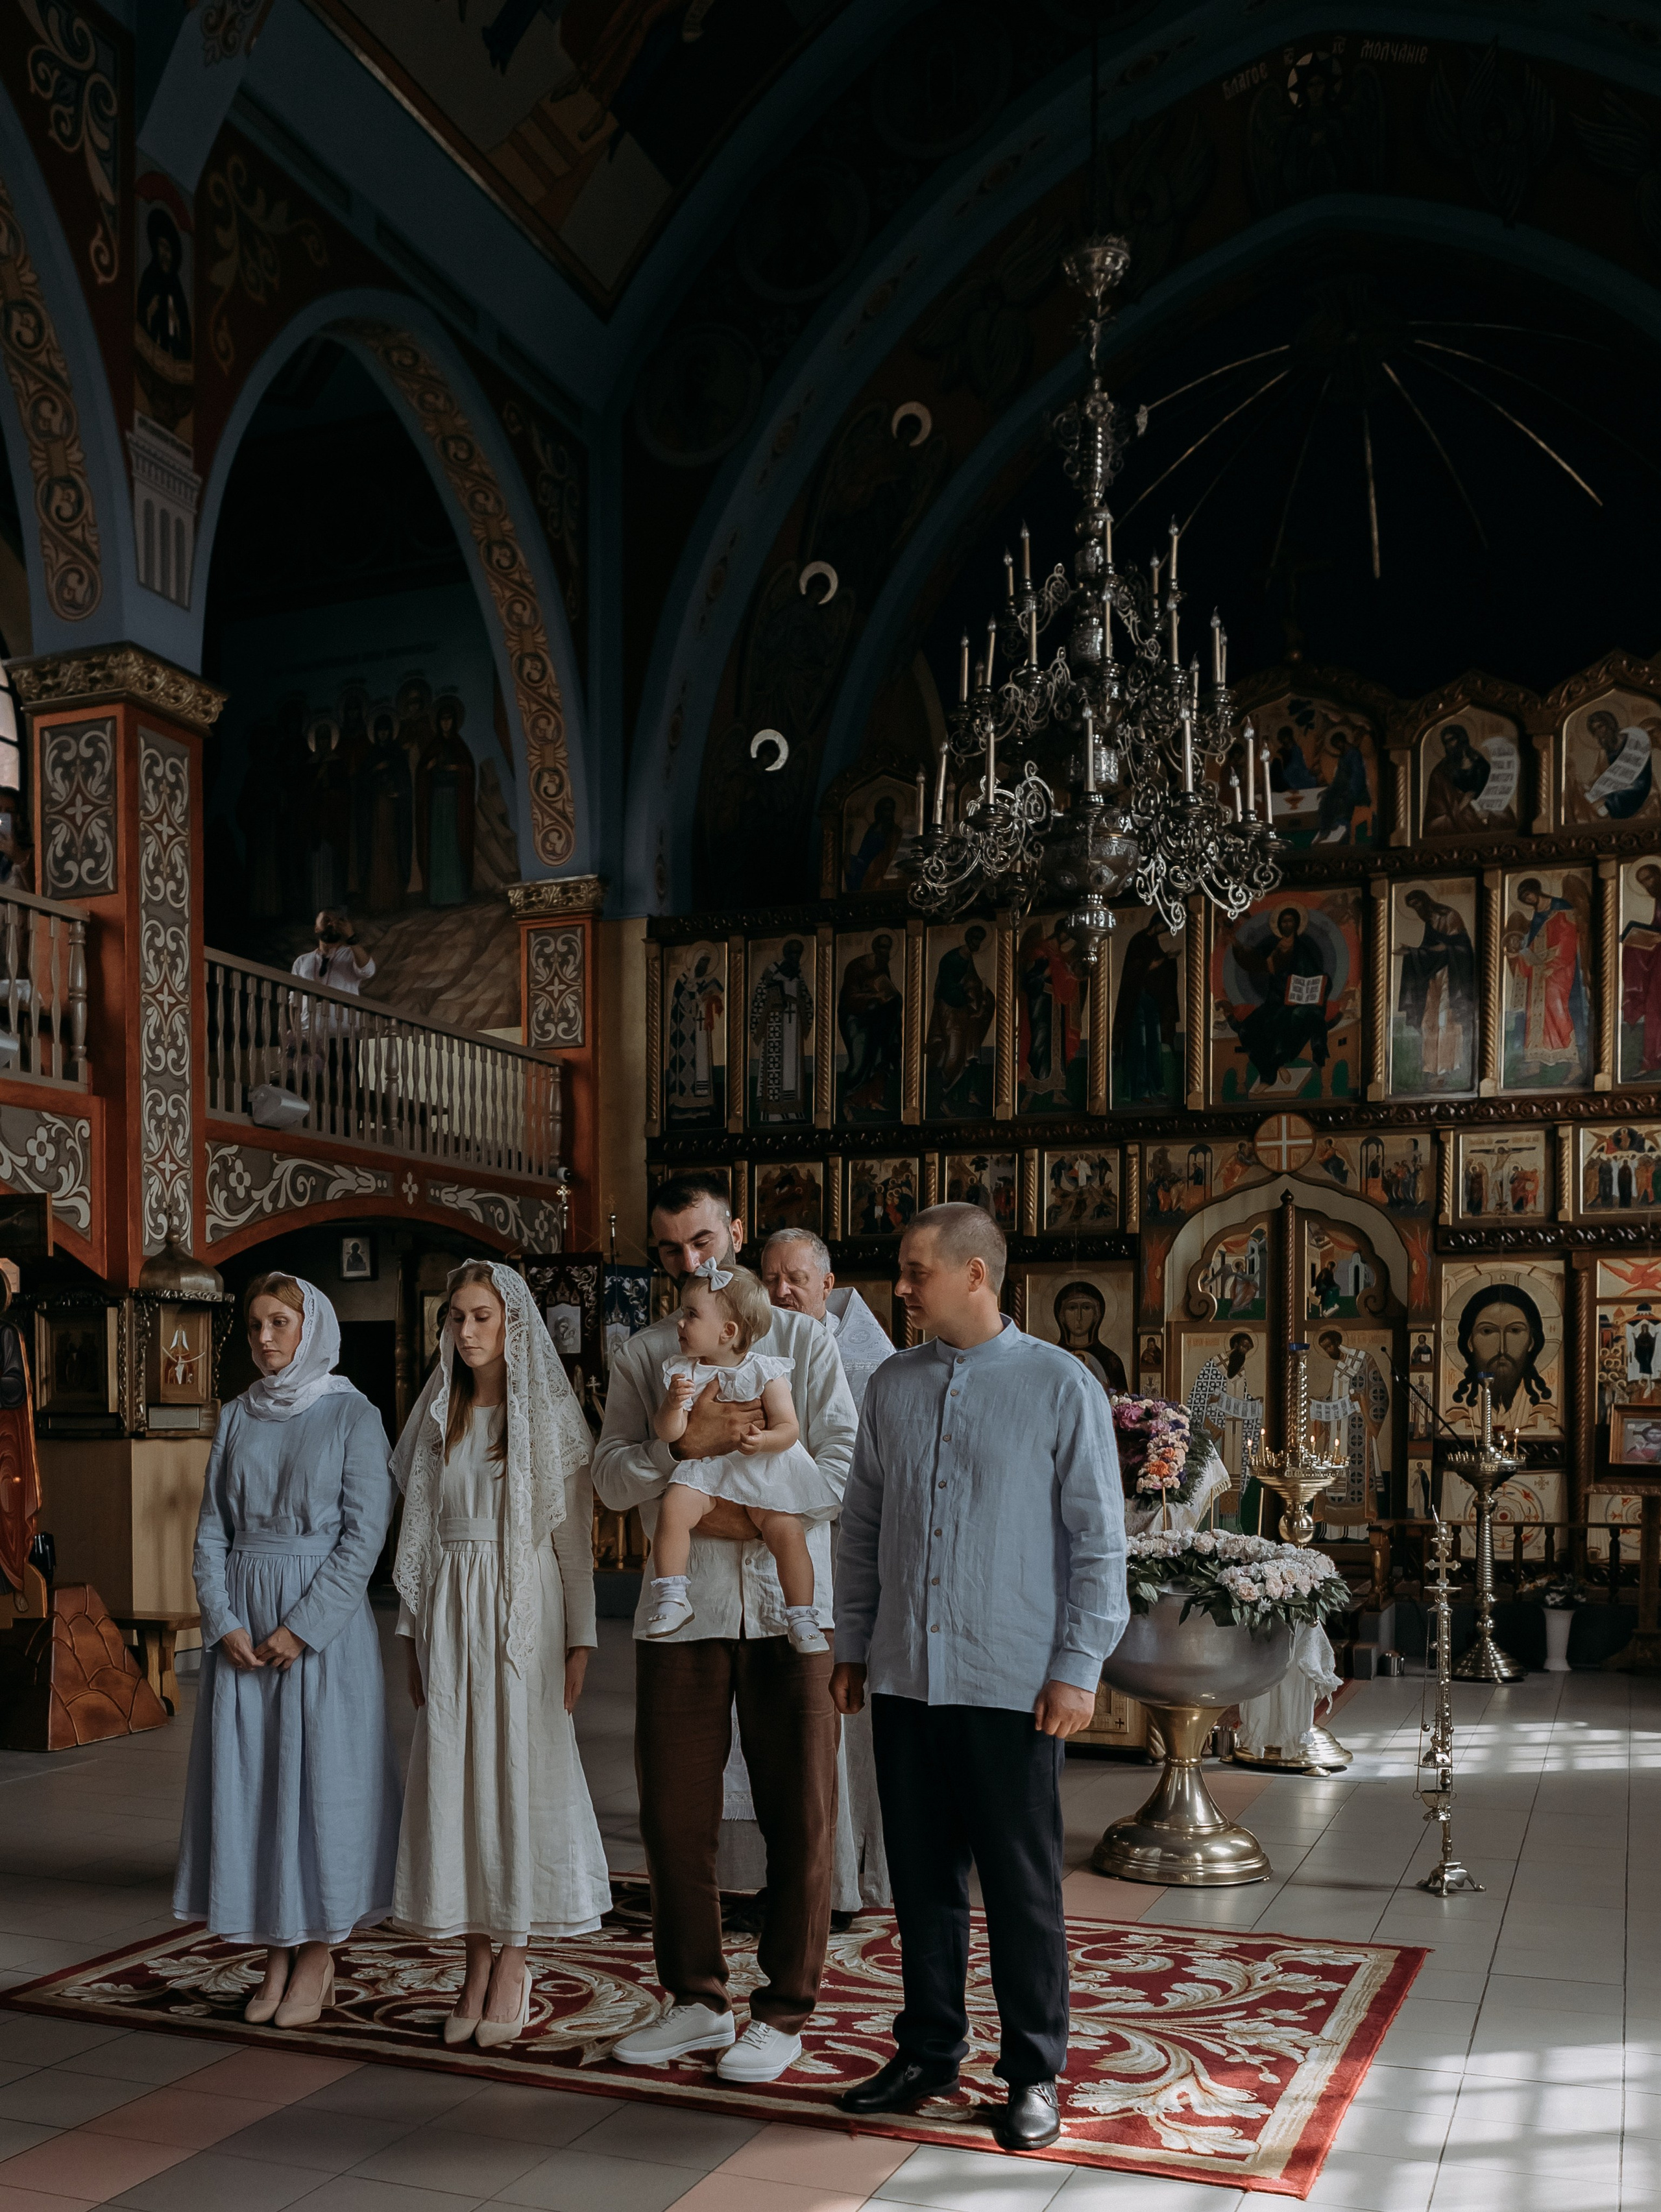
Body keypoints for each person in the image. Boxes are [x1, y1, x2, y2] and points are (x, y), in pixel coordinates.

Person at [831, 1205, 1126, 2152]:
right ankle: (928, 2049)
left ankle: (1035, 2069)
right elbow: (864, 1527)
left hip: (1013, 1681)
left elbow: (1098, 1541)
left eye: (917, 1272)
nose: (903, 1288)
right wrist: (852, 1644)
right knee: (920, 1881)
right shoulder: (892, 1384)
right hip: (909, 1675)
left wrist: (1078, 1668)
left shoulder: (1057, 1384)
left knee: (1021, 1887)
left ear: (975, 1274)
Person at [594, 1172, 858, 2084]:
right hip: (685, 1614)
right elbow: (612, 1478)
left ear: (735, 1232)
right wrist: (683, 1449)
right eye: (669, 1250)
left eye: (702, 1241)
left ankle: (783, 2010)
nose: (689, 1261)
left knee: (804, 1815)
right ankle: (698, 2002)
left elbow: (843, 1468)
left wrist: (742, 1516)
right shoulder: (645, 1355)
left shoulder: (805, 1345)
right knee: (674, 1816)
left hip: (793, 1614)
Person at [391, 1260, 609, 2049]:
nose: (467, 1331)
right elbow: (417, 1535)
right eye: (456, 1317)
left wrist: (580, 1641)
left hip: (525, 1612)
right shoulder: (435, 1420)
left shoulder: (545, 1422)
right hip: (451, 1610)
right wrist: (413, 1636)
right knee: (455, 1773)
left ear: (512, 1324)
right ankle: (474, 1957)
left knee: (518, 1774)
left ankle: (514, 1954)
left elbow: (573, 1548)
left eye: (481, 1316)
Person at [174, 1275, 401, 2028]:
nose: (265, 1337)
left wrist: (302, 1625)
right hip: (245, 1621)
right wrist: (223, 1617)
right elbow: (211, 1529)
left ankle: (318, 1950)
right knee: (256, 1786)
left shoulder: (353, 1414)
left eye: (280, 1322)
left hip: (319, 1632)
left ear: (312, 1328)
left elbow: (364, 1534)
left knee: (320, 1783)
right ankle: (274, 1944)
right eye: (254, 1326)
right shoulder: (237, 1414)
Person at [761, 1228, 894, 1914]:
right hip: (766, 1558)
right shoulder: (755, 1340)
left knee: (837, 1723)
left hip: (846, 1558)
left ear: (827, 1281)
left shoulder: (870, 1361)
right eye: (772, 1278)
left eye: (796, 1278)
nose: (783, 1290)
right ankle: (781, 1876)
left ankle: (844, 1880)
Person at [648, 1260, 828, 1654]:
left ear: (728, 1332)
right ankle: (673, 1595)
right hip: (708, 1470)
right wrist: (673, 1406)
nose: (679, 1323)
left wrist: (764, 1442)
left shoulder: (766, 1371)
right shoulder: (683, 1372)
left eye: (691, 1315)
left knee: (786, 1531)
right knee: (675, 1505)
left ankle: (801, 1615)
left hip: (761, 1468)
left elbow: (789, 1428)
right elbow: (671, 1436)